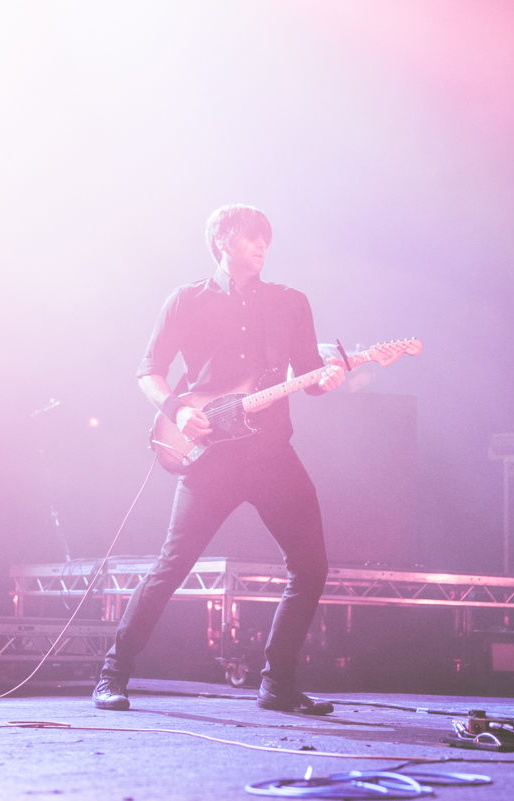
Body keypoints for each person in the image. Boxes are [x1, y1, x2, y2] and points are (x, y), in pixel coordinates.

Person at [93, 204, 345, 715]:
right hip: (211, 458)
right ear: (223, 241)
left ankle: (277, 685)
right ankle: (112, 675)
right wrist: (178, 411)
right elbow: (149, 370)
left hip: (272, 452)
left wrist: (331, 378)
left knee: (311, 566)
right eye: (252, 237)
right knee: (173, 565)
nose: (262, 246)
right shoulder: (186, 300)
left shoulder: (291, 302)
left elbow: (310, 375)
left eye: (266, 240)